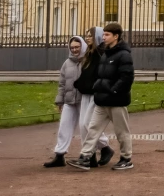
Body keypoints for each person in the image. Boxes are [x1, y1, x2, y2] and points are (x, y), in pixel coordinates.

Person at [69, 22, 133, 171]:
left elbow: (127, 78)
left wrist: (114, 91)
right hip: (102, 100)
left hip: (116, 101)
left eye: (107, 34)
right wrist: (98, 87)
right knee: (92, 129)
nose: (103, 37)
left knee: (121, 131)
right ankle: (85, 157)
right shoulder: (105, 53)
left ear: (116, 36)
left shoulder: (124, 55)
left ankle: (126, 158)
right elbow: (99, 74)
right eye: (103, 34)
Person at [43, 37, 87, 167]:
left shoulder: (88, 61)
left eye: (77, 47)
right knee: (64, 126)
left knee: (86, 126)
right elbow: (62, 84)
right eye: (72, 47)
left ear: (82, 47)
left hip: (83, 99)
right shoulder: (67, 63)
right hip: (69, 100)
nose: (74, 50)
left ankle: (101, 148)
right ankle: (59, 155)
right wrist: (60, 101)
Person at [74, 27, 112, 167]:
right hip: (86, 93)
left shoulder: (101, 54)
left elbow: (100, 74)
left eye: (90, 36)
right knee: (82, 125)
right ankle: (92, 155)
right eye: (86, 36)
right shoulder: (89, 54)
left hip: (95, 94)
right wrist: (79, 84)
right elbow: (86, 74)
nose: (87, 38)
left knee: (88, 124)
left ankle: (103, 147)